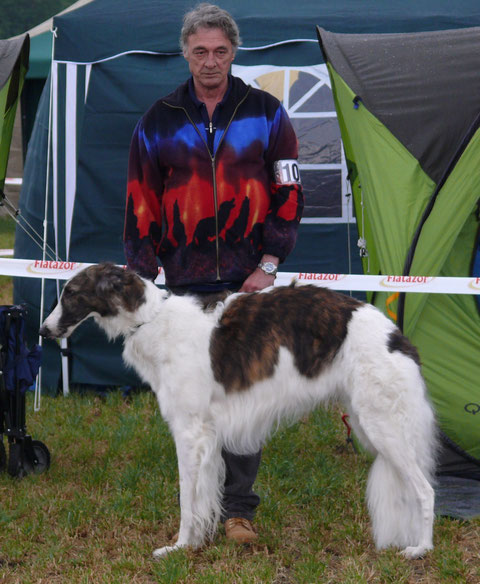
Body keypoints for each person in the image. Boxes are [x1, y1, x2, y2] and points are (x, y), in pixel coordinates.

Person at [124, 2, 303, 544]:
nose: (210, 61)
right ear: (185, 53)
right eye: (200, 51)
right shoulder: (157, 120)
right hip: (180, 286)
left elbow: (289, 191)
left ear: (234, 52)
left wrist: (270, 263)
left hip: (247, 285)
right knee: (191, 409)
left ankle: (239, 513)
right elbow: (139, 200)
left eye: (220, 51)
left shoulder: (268, 112)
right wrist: (142, 276)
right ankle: (195, 512)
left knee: (241, 400)